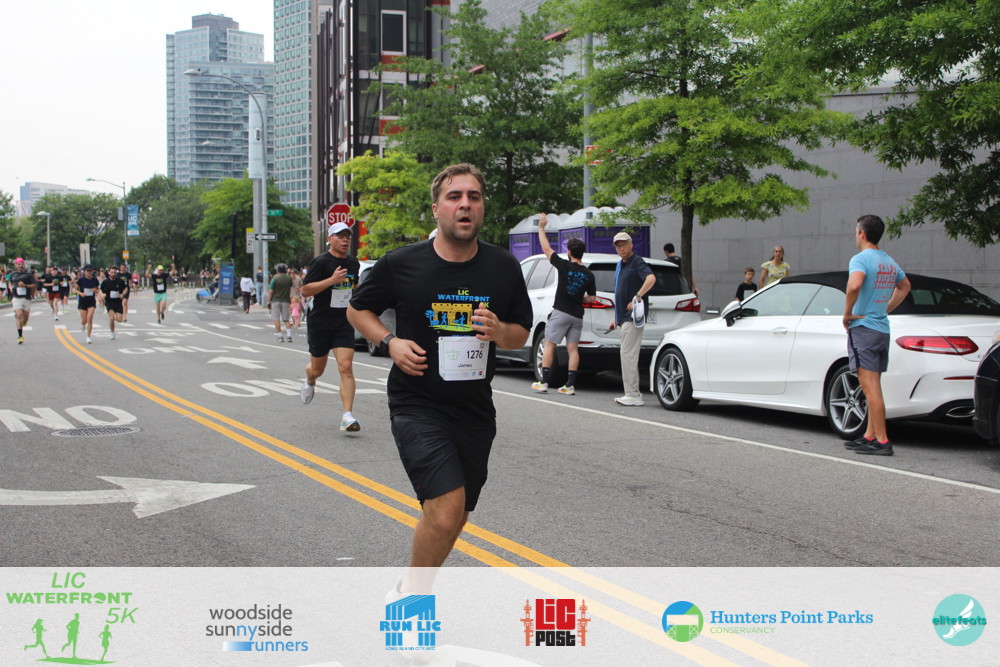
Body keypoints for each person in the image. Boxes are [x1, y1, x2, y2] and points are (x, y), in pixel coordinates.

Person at [348, 163, 532, 587]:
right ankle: (413, 597)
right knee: (447, 510)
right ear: (436, 209)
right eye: (454, 197)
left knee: (457, 513)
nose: (465, 205)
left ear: (482, 207)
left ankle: (410, 586)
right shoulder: (402, 263)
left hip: (474, 410)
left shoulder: (503, 267)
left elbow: (520, 333)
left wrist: (499, 331)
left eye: (473, 197)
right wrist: (390, 342)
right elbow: (358, 310)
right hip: (418, 404)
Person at [842, 215, 911, 456]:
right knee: (875, 387)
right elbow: (905, 286)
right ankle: (870, 436)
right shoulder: (888, 261)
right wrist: (884, 309)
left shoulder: (860, 259)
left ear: (862, 233)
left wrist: (847, 313)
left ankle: (882, 441)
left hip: (864, 329)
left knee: (870, 388)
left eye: (856, 231)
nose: (855, 235)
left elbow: (854, 285)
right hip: (881, 330)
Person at [300, 223, 362, 431]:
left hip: (343, 321)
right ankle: (310, 379)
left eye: (347, 236)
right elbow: (305, 290)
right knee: (318, 369)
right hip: (320, 322)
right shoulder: (321, 262)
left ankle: (347, 416)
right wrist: (332, 280)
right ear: (330, 239)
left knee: (346, 366)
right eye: (340, 236)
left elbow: (353, 287)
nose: (345, 240)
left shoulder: (353, 264)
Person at [530, 212, 596, 395]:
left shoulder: (564, 266)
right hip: (577, 315)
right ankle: (570, 385)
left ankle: (543, 382)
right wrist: (579, 298)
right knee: (573, 349)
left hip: (560, 312)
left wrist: (541, 228)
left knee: (550, 344)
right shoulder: (589, 274)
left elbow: (546, 249)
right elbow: (592, 298)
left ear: (569, 252)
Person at [610, 232, 656, 406]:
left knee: (628, 354)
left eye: (624, 245)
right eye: (618, 246)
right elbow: (618, 292)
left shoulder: (637, 262)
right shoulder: (620, 265)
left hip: (632, 316)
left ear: (631, 245)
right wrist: (616, 317)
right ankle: (631, 393)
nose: (621, 248)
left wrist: (638, 296)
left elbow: (651, 278)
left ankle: (633, 394)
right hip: (623, 317)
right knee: (627, 354)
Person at [7, 258, 36, 344]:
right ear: (16, 265)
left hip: (26, 297)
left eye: (22, 264)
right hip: (16, 297)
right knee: (19, 315)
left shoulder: (28, 274)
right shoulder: (13, 274)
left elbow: (34, 285)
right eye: (19, 264)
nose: (20, 266)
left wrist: (25, 285)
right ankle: (20, 336)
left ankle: (24, 322)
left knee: (25, 319)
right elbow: (10, 283)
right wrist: (11, 288)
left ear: (24, 265)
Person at [100, 265, 128, 341]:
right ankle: (112, 333)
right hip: (109, 302)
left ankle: (114, 317)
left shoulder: (120, 281)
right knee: (112, 318)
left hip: (118, 302)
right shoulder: (105, 282)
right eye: (112, 272)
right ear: (109, 272)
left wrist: (123, 294)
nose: (113, 274)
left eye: (114, 272)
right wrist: (102, 295)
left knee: (119, 319)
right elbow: (100, 290)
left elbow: (126, 288)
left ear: (116, 273)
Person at [268, 263, 294, 343]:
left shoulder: (275, 279)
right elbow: (291, 288)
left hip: (275, 300)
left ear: (277, 270)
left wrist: (269, 301)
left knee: (276, 319)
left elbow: (271, 291)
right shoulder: (289, 279)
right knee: (286, 319)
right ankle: (289, 336)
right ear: (285, 270)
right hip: (286, 300)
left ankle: (280, 336)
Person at [74, 265, 100, 344]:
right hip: (82, 301)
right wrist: (80, 293)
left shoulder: (95, 280)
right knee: (84, 320)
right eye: (87, 271)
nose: (89, 272)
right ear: (84, 272)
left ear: (92, 271)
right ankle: (82, 324)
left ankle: (88, 337)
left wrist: (95, 290)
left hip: (91, 301)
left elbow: (98, 290)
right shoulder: (81, 280)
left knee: (90, 318)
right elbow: (75, 289)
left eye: (90, 271)